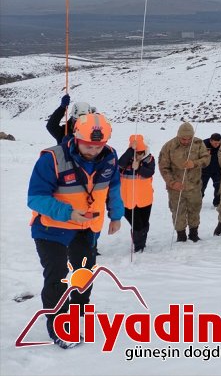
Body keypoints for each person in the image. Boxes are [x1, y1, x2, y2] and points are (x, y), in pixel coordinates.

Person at [27, 112, 123, 348]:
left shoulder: (110, 157)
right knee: (58, 276)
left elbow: (113, 187)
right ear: (76, 137)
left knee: (84, 272)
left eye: (98, 146)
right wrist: (68, 213)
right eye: (88, 145)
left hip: (87, 227)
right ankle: (59, 326)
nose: (93, 150)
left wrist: (116, 215)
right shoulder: (52, 158)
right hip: (52, 228)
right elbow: (35, 198)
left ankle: (78, 310)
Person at [158, 122, 210, 243]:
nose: (186, 141)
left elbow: (206, 159)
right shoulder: (169, 146)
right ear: (178, 135)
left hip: (194, 186)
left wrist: (194, 163)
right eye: (183, 139)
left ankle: (194, 234)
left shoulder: (198, 143)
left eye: (189, 139)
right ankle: (181, 236)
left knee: (195, 210)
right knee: (178, 212)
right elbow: (163, 167)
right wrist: (172, 183)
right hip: (176, 188)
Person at [118, 134, 155, 253]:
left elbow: (149, 173)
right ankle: (138, 246)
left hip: (145, 199)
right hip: (128, 200)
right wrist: (130, 151)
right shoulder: (126, 160)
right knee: (137, 225)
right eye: (136, 152)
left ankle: (142, 243)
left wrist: (138, 167)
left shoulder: (149, 159)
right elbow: (120, 164)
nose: (139, 155)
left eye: (141, 152)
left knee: (144, 224)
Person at [201, 133, 221, 206]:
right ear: (210, 140)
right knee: (201, 187)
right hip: (204, 170)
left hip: (217, 170)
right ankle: (198, 202)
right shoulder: (203, 144)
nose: (217, 145)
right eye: (215, 143)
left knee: (219, 187)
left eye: (218, 143)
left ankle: (217, 203)